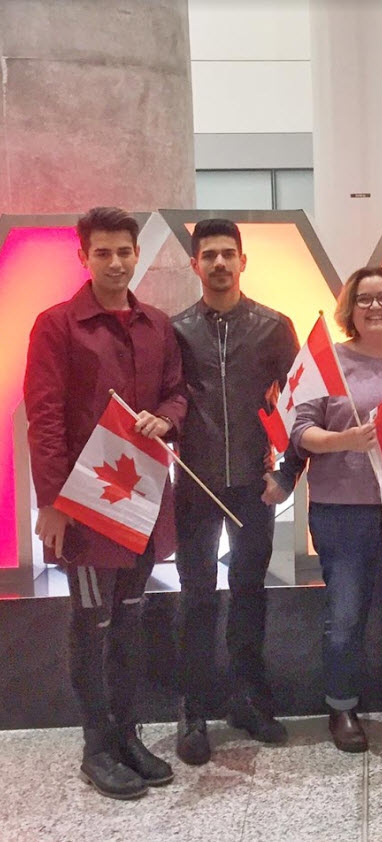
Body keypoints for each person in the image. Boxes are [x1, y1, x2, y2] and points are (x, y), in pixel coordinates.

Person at [24, 207, 186, 799]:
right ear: (84, 257)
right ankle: (96, 745)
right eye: (103, 253)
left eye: (124, 251)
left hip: (142, 495)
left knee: (132, 620)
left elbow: (176, 395)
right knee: (91, 623)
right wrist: (52, 503)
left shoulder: (156, 324)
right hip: (86, 504)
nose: (115, 262)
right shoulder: (57, 325)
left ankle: (127, 733)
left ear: (136, 255)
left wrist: (164, 421)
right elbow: (44, 421)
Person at [290, 265, 382, 756]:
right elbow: (300, 430)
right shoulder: (327, 361)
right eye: (364, 300)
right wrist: (345, 440)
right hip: (341, 510)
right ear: (350, 310)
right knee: (347, 613)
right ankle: (342, 705)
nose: (375, 307)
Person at [171, 219, 302, 765]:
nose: (220, 263)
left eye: (229, 254)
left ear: (243, 261)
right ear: (195, 264)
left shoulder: (275, 326)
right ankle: (193, 710)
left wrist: (289, 472)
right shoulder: (173, 329)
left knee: (249, 592)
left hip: (254, 485)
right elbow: (166, 399)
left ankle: (249, 699)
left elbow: (302, 404)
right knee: (196, 597)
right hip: (195, 484)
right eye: (210, 255)